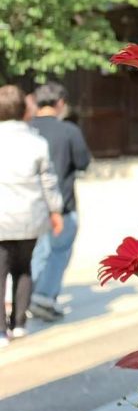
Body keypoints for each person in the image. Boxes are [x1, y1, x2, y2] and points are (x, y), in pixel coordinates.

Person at [0, 85, 62, 346]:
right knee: (24, 268)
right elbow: (48, 182)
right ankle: (19, 324)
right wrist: (56, 210)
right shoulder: (37, 142)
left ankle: (1, 331)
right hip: (29, 215)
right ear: (24, 109)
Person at [29, 81, 92, 319]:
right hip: (63, 204)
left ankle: (30, 294)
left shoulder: (27, 129)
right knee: (59, 250)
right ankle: (43, 297)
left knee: (37, 252)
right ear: (60, 103)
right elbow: (83, 162)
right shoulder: (69, 131)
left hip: (31, 206)